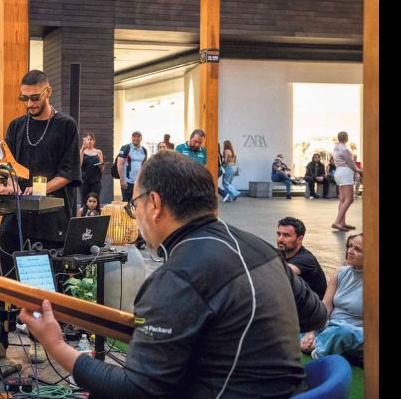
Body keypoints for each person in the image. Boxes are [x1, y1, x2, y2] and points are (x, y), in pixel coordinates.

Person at [19, 151, 327, 397]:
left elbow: (135, 390)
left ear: (154, 204)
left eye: (133, 205)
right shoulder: (263, 250)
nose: (135, 215)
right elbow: (316, 317)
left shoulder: (177, 278)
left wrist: (57, 346)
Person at [0, 70, 81, 361]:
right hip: (17, 214)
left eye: (34, 98)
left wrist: (39, 189)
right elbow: (8, 167)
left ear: (48, 92)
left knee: (44, 284)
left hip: (53, 216)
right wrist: (8, 185)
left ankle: (43, 343)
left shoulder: (66, 125)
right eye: (25, 98)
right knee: (0, 273)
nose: (29, 104)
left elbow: (69, 172)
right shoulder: (17, 126)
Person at [301, 233, 364, 363]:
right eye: (350, 246)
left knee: (344, 332)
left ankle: (317, 349)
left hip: (354, 333)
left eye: (357, 249)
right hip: (331, 325)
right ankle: (316, 343)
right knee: (299, 324)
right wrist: (311, 330)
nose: (350, 251)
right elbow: (325, 305)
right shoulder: (340, 272)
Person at [276, 217, 327, 299]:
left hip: (311, 308)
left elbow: (280, 273)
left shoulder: (306, 259)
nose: (280, 239)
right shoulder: (281, 253)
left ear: (300, 239)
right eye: (279, 234)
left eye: (286, 235)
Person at [332, 132, 362, 232]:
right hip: (345, 173)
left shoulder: (336, 148)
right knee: (349, 199)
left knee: (343, 199)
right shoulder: (344, 149)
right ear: (346, 138)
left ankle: (342, 222)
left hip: (338, 172)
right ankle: (337, 222)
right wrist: (358, 170)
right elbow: (350, 163)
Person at [116, 130, 147, 202]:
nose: (136, 138)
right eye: (134, 136)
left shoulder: (144, 150)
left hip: (138, 183)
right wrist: (122, 179)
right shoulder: (126, 148)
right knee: (126, 205)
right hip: (127, 182)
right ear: (131, 138)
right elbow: (119, 164)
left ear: (141, 138)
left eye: (138, 137)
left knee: (138, 204)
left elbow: (144, 166)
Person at [79, 132, 104, 203]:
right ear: (84, 141)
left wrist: (101, 166)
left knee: (96, 200)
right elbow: (79, 165)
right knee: (84, 201)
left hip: (96, 181)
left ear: (94, 141)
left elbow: (101, 167)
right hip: (84, 181)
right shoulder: (81, 151)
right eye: (88, 140)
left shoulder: (98, 152)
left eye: (91, 139)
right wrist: (82, 150)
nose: (89, 141)